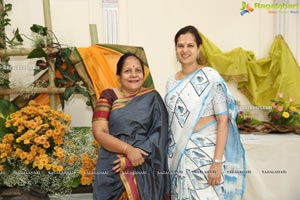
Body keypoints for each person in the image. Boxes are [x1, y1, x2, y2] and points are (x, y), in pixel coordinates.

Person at [165, 25, 245, 200]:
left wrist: (216, 163)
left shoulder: (210, 77)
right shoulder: (171, 81)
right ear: (175, 49)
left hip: (206, 157)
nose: (185, 50)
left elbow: (223, 121)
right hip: (179, 158)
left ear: (198, 48)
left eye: (190, 45)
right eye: (180, 45)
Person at [92, 52, 170, 200]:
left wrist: (136, 154)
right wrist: (128, 150)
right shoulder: (108, 96)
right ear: (119, 76)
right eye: (127, 71)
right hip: (112, 166)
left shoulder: (152, 97)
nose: (133, 75)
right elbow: (99, 132)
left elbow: (160, 133)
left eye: (138, 70)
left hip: (144, 164)